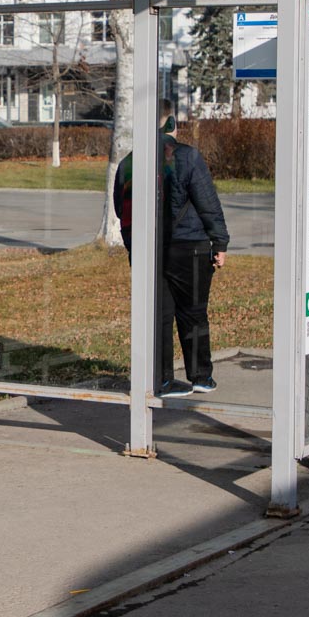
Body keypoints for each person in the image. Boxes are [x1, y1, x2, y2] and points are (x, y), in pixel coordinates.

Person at [113, 101, 231, 397]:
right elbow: (207, 203)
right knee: (193, 313)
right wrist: (220, 242)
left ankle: (162, 380)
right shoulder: (188, 157)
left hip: (149, 250)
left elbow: (120, 208)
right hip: (189, 247)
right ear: (171, 123)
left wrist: (136, 246)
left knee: (159, 315)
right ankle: (201, 377)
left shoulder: (130, 161)